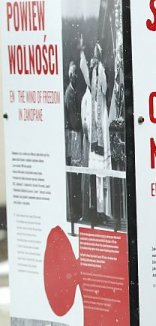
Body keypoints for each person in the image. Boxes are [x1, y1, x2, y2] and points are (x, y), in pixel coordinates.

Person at [80, 39, 112, 225]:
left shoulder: (100, 73)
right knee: (97, 175)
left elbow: (104, 90)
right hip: (96, 124)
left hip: (100, 123)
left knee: (104, 175)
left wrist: (101, 74)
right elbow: (87, 74)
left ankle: (103, 211)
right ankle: (98, 211)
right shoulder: (93, 78)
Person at [64, 62, 83, 224]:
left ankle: (77, 211)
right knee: (74, 176)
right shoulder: (69, 93)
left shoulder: (74, 91)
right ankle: (74, 212)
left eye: (76, 73)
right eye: (73, 73)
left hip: (77, 135)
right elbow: (73, 119)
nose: (75, 76)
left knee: (77, 176)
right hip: (74, 136)